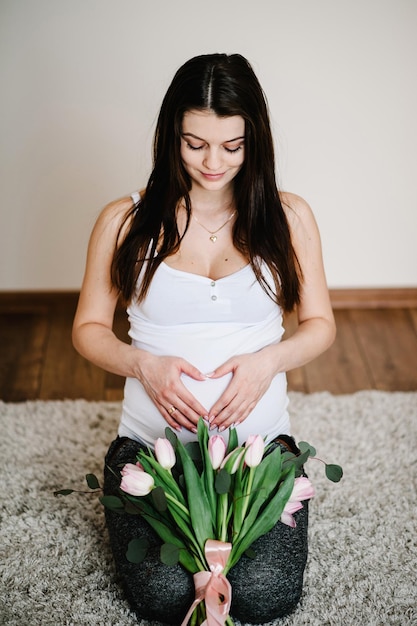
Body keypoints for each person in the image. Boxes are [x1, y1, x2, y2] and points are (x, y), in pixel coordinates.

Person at [72, 53, 336, 624]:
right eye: (195, 144)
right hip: (153, 451)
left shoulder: (289, 218)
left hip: (258, 451)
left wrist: (269, 362)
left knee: (266, 593)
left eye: (232, 146)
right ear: (172, 135)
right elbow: (88, 330)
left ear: (253, 142)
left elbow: (320, 325)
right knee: (164, 595)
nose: (213, 162)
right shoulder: (125, 221)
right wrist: (143, 365)